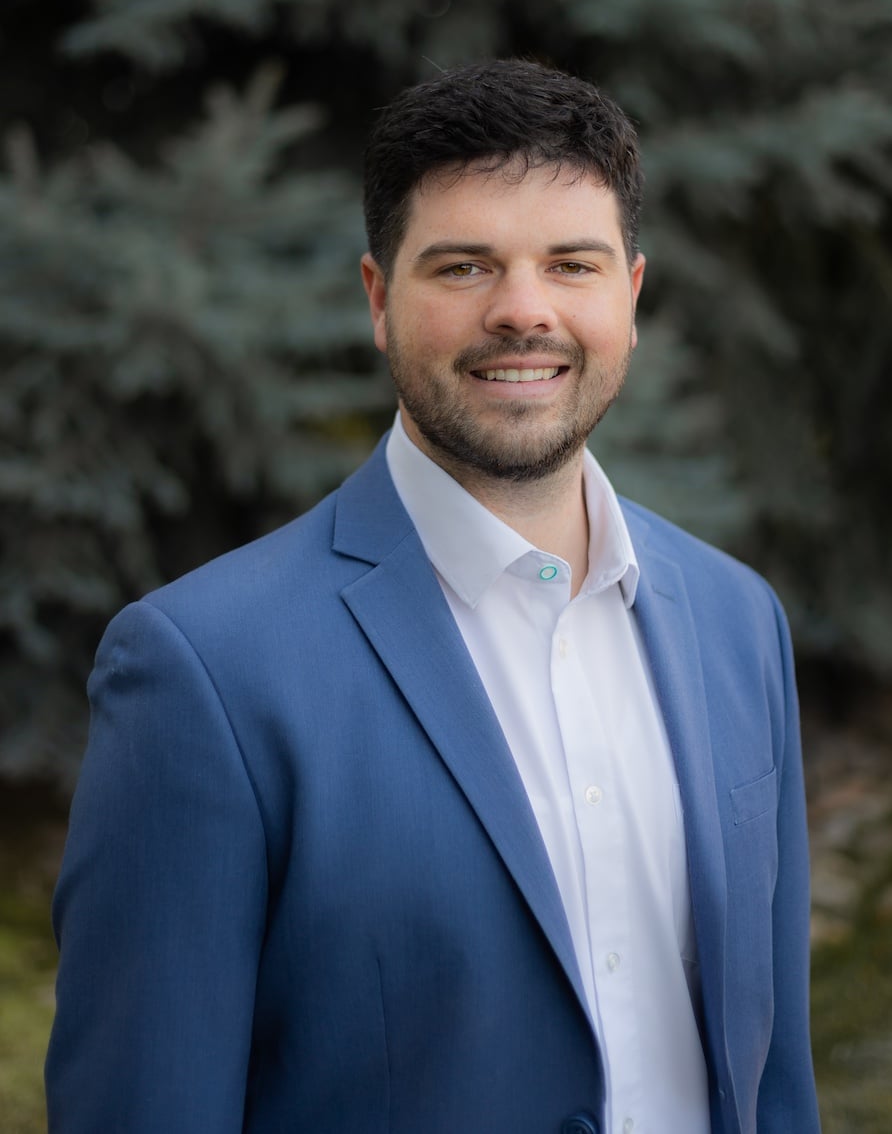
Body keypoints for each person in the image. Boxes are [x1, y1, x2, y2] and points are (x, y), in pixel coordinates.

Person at [46, 59, 820, 1134]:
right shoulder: (203, 671)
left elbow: (774, 1081)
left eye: (572, 264)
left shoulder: (740, 622)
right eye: (464, 267)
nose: (524, 311)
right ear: (378, 298)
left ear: (631, 297)